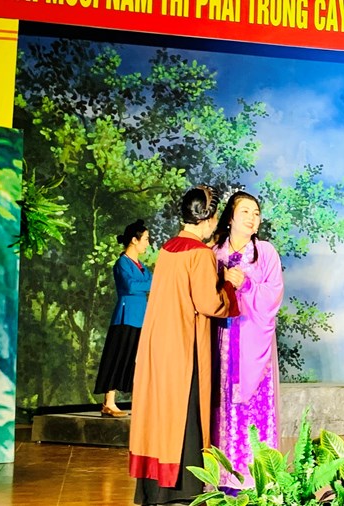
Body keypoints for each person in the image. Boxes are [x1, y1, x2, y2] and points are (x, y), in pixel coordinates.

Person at [129, 186, 242, 505]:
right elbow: (209, 304)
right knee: (185, 411)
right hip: (183, 345)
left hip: (158, 343)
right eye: (215, 216)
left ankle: (153, 489)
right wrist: (229, 284)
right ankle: (181, 490)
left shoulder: (168, 248)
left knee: (161, 412)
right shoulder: (200, 253)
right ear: (207, 218)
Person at [210, 191, 284, 489]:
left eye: (256, 213)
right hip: (222, 340)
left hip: (255, 341)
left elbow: (274, 294)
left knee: (255, 406)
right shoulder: (214, 253)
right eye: (245, 211)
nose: (252, 218)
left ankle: (257, 477)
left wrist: (247, 284)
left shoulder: (265, 252)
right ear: (230, 217)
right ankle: (222, 475)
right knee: (222, 402)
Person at [93, 220, 151, 418]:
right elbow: (131, 286)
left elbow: (152, 282)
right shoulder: (122, 263)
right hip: (125, 317)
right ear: (134, 240)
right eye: (145, 239)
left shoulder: (142, 266)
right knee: (117, 356)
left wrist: (147, 283)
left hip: (141, 317)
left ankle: (138, 402)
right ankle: (109, 402)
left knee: (136, 360)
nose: (148, 243)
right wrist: (147, 284)